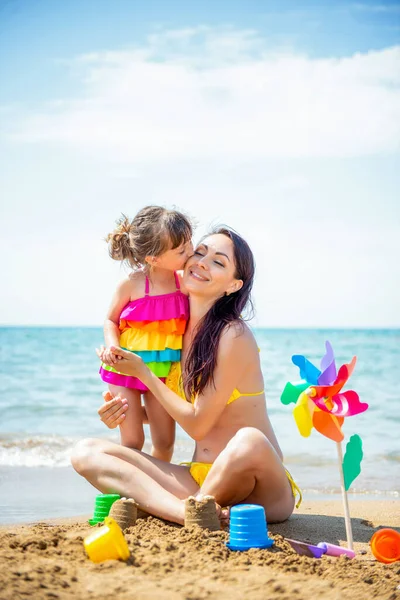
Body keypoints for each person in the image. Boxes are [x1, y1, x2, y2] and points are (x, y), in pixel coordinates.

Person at [72, 227, 301, 525]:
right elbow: (173, 410)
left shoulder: (233, 334)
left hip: (259, 488)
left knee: (249, 441)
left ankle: (180, 508)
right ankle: (185, 513)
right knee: (85, 452)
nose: (203, 262)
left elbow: (197, 423)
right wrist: (127, 412)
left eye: (219, 262)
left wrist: (142, 371)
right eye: (200, 252)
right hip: (199, 479)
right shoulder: (176, 332)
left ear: (233, 285)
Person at [99, 206, 193, 461]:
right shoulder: (132, 283)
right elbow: (110, 320)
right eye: (181, 250)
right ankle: (129, 493)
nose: (191, 252)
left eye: (189, 243)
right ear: (153, 259)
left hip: (161, 372)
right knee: (133, 440)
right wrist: (111, 346)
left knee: (164, 441)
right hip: (125, 368)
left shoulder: (184, 282)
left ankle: (157, 486)